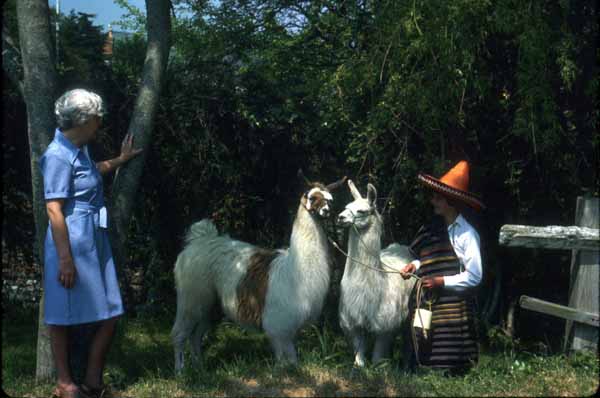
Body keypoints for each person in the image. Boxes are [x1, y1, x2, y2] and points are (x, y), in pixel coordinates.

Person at [41, 89, 142, 398]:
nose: (101, 124)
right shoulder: (56, 155)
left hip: (93, 239)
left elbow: (90, 173)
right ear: (84, 120)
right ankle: (65, 384)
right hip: (69, 241)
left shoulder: (79, 148)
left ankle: (93, 380)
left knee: (111, 311)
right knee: (62, 314)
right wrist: (66, 260)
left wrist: (120, 160)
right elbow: (53, 208)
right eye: (97, 119)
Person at [400, 160, 484, 375]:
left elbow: (474, 276)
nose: (433, 200)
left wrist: (441, 281)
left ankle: (453, 372)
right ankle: (422, 369)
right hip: (430, 303)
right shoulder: (433, 228)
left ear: (451, 202)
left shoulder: (467, 234)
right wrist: (415, 265)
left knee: (452, 356)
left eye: (438, 197)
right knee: (425, 341)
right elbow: (429, 258)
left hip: (454, 307)